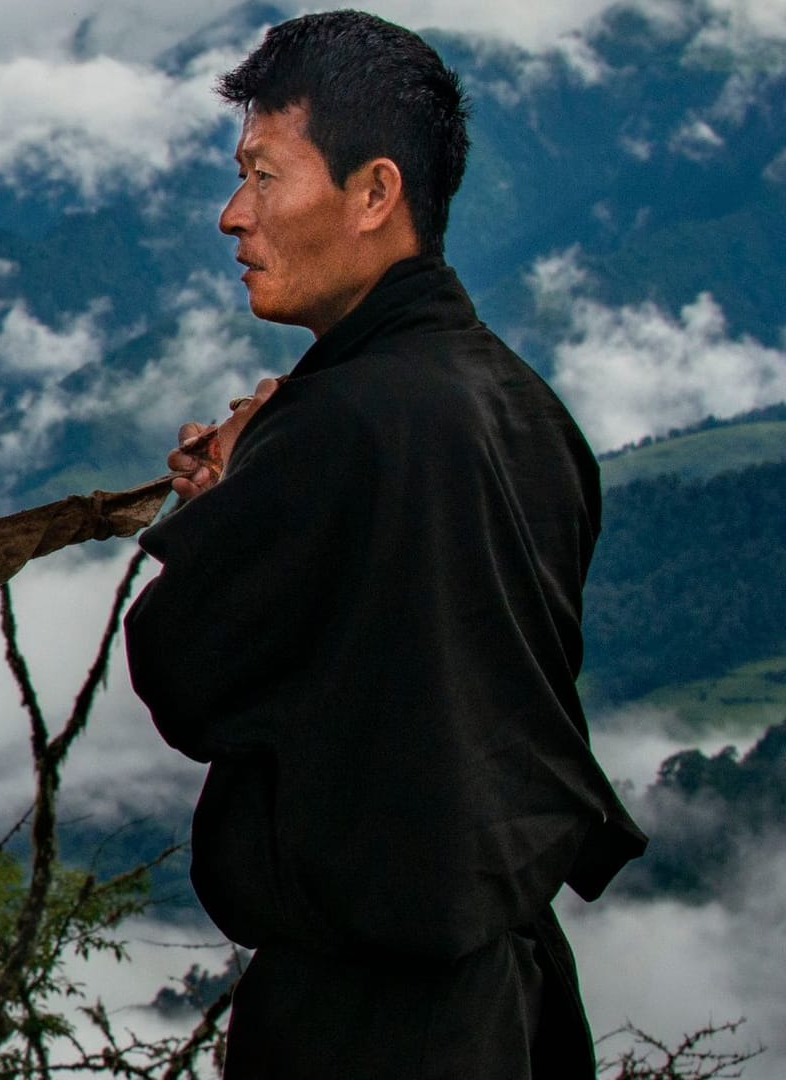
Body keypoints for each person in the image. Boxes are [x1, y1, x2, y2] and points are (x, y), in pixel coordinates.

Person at [122, 11, 646, 1078]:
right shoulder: (527, 412)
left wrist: (236, 487)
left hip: (367, 1027)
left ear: (374, 194)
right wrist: (258, 473)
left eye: (265, 176)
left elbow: (184, 674)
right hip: (513, 1010)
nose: (234, 216)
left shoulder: (337, 429)